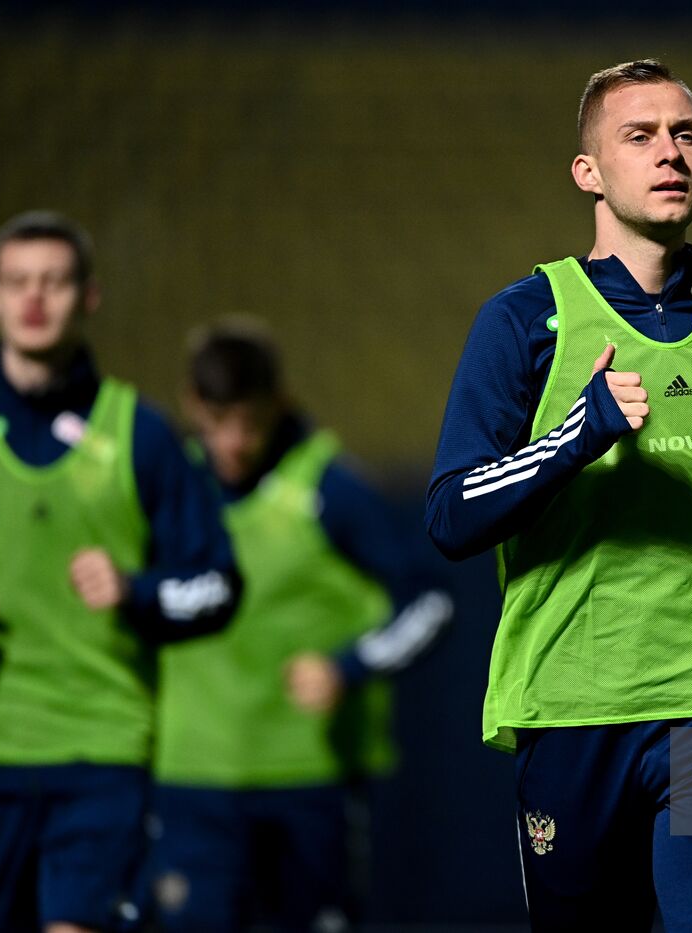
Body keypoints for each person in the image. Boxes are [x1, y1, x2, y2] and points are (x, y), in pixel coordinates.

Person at [425, 59, 692, 931]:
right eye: (639, 136)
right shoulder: (524, 319)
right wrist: (576, 436)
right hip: (577, 701)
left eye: (685, 134)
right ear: (589, 172)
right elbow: (452, 512)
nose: (669, 153)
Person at [0, 211, 242, 933]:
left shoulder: (141, 433)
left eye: (55, 282)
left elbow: (218, 585)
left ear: (88, 296)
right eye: (18, 282)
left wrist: (138, 590)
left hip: (99, 750)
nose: (35, 299)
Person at [146, 317, 453, 932]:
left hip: (311, 782)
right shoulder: (167, 489)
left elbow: (430, 599)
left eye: (250, 424)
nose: (233, 442)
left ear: (279, 405)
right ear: (192, 407)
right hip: (190, 781)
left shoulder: (330, 489)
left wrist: (348, 668)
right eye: (217, 423)